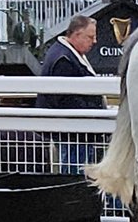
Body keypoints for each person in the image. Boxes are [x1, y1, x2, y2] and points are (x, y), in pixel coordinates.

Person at [34, 15, 105, 173]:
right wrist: (96, 112)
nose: (94, 41)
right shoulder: (64, 59)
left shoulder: (61, 53)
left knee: (77, 169)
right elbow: (66, 100)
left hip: (73, 130)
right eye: (90, 37)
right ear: (77, 35)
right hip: (74, 131)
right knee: (76, 171)